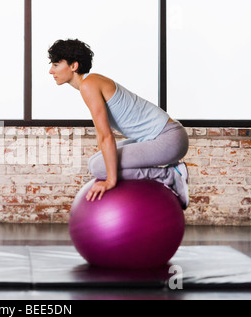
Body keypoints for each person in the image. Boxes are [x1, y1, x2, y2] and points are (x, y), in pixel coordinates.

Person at [48, 39, 190, 209]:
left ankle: (169, 175)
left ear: (73, 66)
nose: (51, 71)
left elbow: (106, 135)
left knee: (100, 167)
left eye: (56, 65)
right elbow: (103, 138)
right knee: (96, 162)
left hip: (168, 139)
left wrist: (110, 181)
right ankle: (169, 174)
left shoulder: (88, 85)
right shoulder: (91, 82)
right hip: (162, 137)